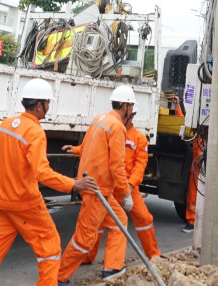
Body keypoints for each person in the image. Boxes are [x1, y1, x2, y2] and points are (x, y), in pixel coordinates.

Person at [0, 78, 99, 286]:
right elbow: (43, 172)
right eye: (48, 102)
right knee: (49, 246)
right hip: (24, 203)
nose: (48, 106)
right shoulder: (35, 131)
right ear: (39, 105)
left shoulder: (6, 125)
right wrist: (74, 184)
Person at [58, 85, 135, 285]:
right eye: (132, 108)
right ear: (125, 106)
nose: (131, 113)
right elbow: (117, 165)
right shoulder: (117, 127)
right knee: (84, 238)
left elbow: (88, 146)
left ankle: (112, 268)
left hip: (101, 190)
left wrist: (75, 150)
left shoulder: (99, 118)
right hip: (97, 191)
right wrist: (126, 194)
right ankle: (59, 277)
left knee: (120, 222)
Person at [64, 104, 163, 262]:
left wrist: (129, 188)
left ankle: (153, 255)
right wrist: (76, 149)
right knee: (98, 222)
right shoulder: (113, 128)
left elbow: (139, 167)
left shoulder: (139, 138)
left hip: (128, 188)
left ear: (130, 115)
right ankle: (87, 257)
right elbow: (92, 146)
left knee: (144, 218)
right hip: (109, 187)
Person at [172, 95, 202, 233]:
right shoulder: (198, 125)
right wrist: (177, 107)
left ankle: (195, 222)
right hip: (199, 161)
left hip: (206, 162)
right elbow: (185, 123)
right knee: (193, 191)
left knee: (197, 192)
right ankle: (192, 221)